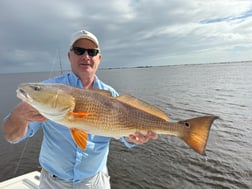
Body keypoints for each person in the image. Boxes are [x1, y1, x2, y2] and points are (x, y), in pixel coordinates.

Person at [2, 29, 158, 189]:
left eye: (92, 52)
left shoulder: (111, 95)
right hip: (53, 183)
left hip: (95, 182)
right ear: (70, 56)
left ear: (99, 58)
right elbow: (11, 136)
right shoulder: (49, 90)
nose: (86, 56)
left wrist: (134, 139)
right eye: (79, 50)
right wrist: (18, 116)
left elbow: (126, 136)